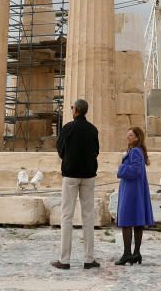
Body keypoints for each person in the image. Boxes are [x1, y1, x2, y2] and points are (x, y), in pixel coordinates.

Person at [51, 99, 100, 270]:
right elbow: (96, 151)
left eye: (72, 108)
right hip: (88, 176)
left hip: (70, 175)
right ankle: (89, 258)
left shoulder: (67, 128)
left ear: (76, 110)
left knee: (66, 216)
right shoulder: (93, 129)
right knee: (88, 216)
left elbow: (60, 150)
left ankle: (64, 260)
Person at [115, 126, 153, 265]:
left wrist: (121, 168)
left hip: (131, 190)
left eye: (130, 135)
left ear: (137, 138)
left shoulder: (135, 151)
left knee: (126, 222)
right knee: (137, 221)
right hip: (134, 189)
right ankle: (136, 253)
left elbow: (136, 170)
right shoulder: (136, 151)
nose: (128, 137)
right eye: (127, 134)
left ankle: (127, 254)